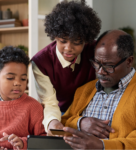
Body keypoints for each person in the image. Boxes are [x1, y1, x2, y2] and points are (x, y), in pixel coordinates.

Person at [31, 0, 101, 133]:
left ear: (86, 40)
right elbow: (50, 103)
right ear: (55, 36)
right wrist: (53, 122)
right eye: (63, 41)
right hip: (61, 113)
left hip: (91, 111)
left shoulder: (94, 50)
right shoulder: (41, 62)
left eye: (77, 42)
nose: (68, 48)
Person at [61, 29, 136, 150]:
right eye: (97, 63)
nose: (100, 71)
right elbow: (63, 122)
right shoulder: (84, 90)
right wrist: (81, 122)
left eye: (108, 65)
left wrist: (102, 146)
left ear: (129, 61)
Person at [0, 47, 45, 150]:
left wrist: (23, 143)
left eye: (23, 79)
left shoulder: (34, 106)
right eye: (10, 78)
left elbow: (43, 141)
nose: (18, 83)